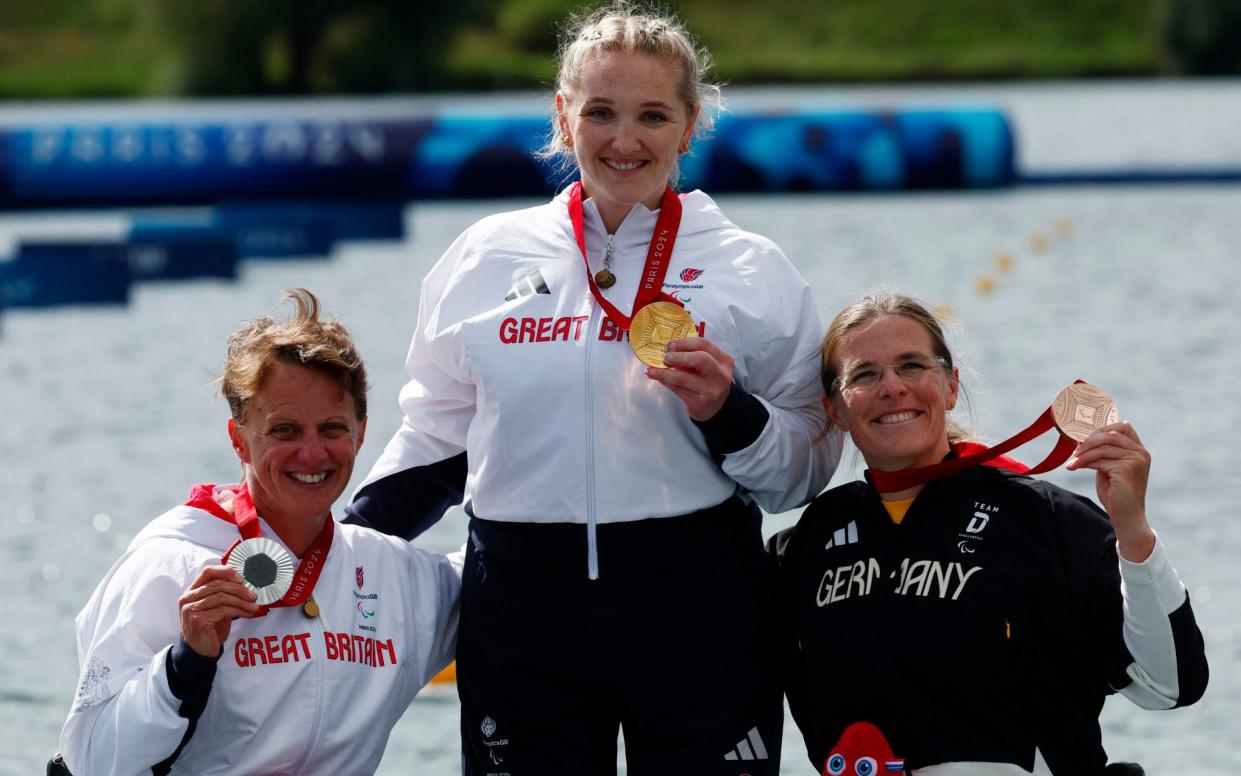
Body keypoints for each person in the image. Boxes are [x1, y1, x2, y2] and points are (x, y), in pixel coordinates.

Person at [345, 3, 840, 773]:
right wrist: (331, 543)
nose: (622, 140)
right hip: (521, 609)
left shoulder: (751, 268)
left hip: (698, 606)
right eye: (599, 112)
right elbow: (439, 438)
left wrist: (728, 412)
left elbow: (803, 470)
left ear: (689, 124)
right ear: (562, 116)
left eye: (651, 115)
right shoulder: (485, 254)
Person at [770, 292, 1208, 775]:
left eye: (912, 366)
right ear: (834, 408)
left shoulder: (1044, 520)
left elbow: (1169, 683)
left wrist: (1133, 532)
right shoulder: (810, 543)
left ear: (951, 386)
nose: (892, 387)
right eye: (865, 374)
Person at [57, 289, 461, 775]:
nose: (312, 454)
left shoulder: (398, 578)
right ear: (239, 439)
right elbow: (92, 763)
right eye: (285, 431)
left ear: (362, 432)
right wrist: (184, 666)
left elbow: (520, 577)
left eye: (331, 429)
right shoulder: (171, 565)